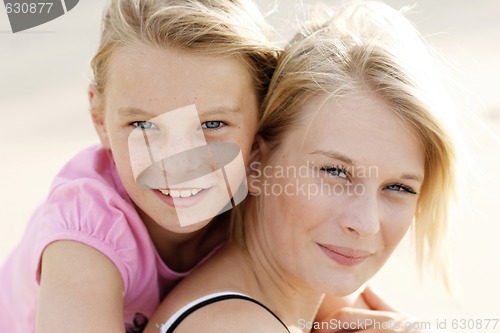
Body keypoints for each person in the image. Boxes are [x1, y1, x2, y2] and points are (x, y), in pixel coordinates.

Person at [143, 1, 456, 332]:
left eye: (398, 188)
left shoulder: (325, 303)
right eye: (335, 172)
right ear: (256, 164)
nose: (365, 224)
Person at [0, 0, 278, 332]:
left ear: (261, 121)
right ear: (100, 120)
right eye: (144, 126)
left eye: (213, 124)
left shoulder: (267, 198)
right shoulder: (85, 229)